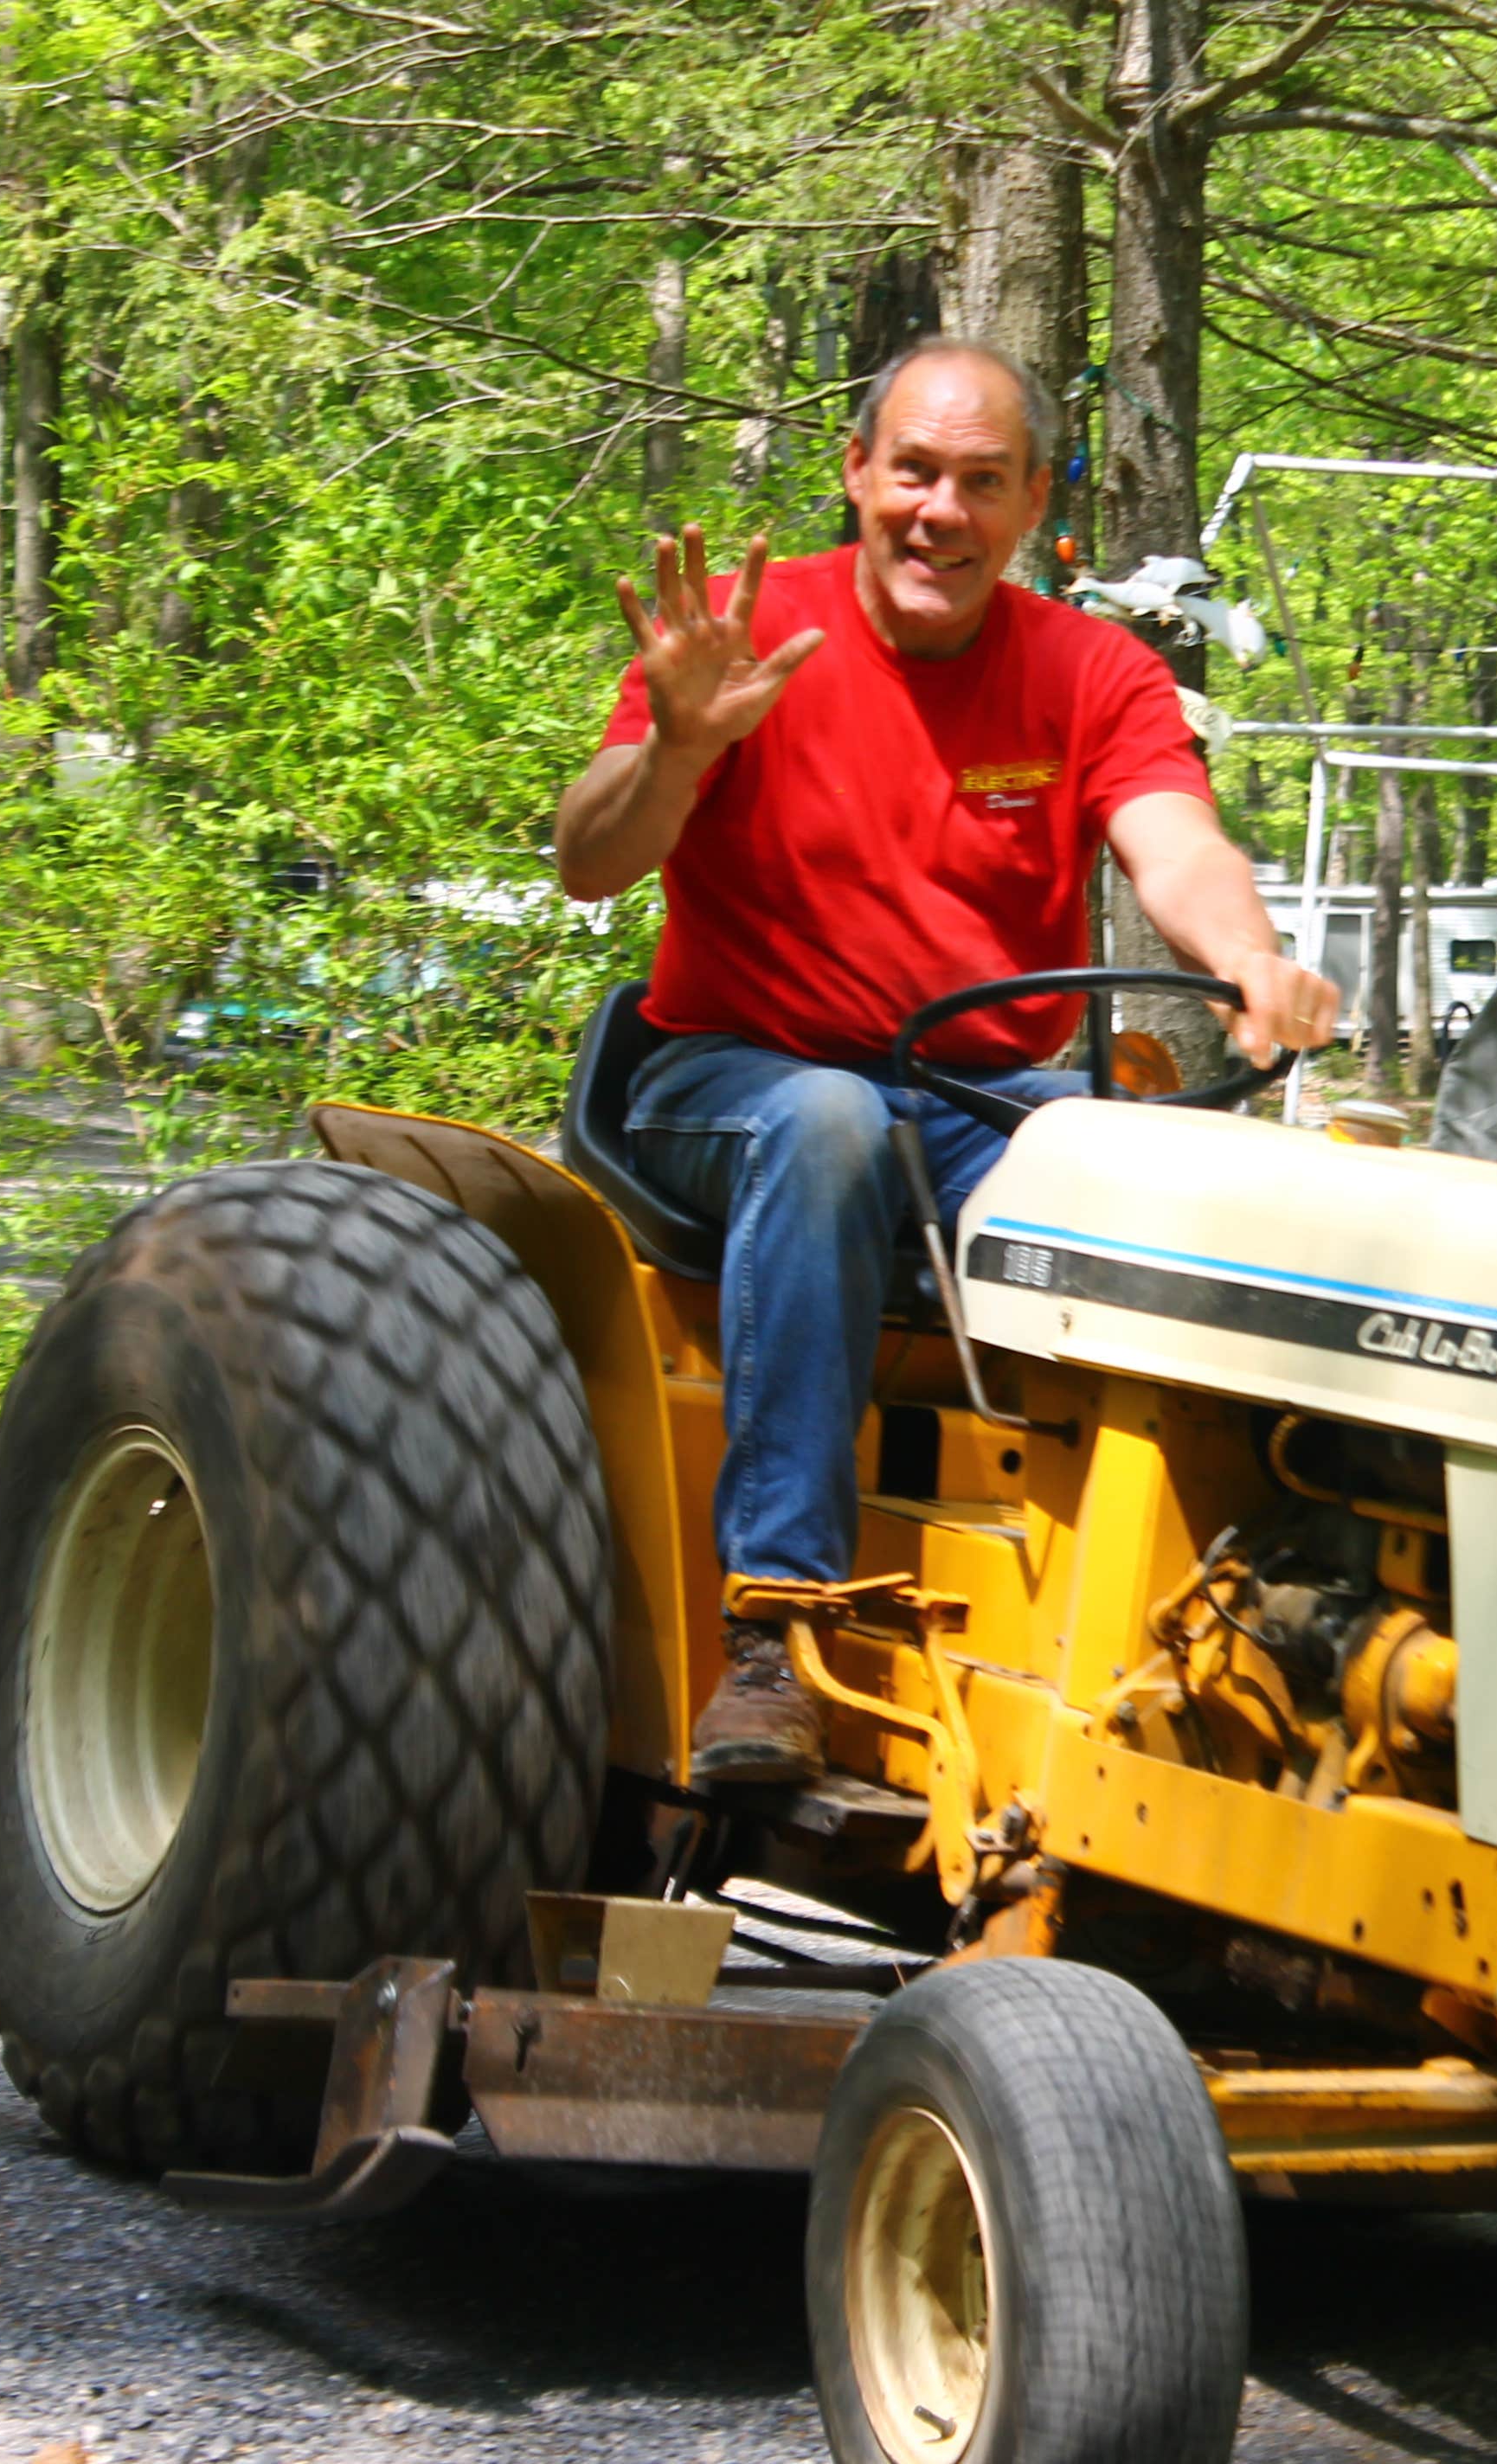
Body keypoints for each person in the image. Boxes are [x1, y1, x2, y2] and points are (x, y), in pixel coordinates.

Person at [553, 337, 1343, 1786]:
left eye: (983, 482)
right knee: (831, 1123)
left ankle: (1213, 1634)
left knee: (1176, 1165)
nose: (941, 511)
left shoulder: (1087, 669)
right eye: (913, 470)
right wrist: (673, 748)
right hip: (728, 1077)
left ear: (1036, 501)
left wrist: (1248, 959)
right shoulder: (746, 637)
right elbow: (585, 863)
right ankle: (773, 1631)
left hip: (971, 1101)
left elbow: (1176, 841)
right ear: (857, 472)